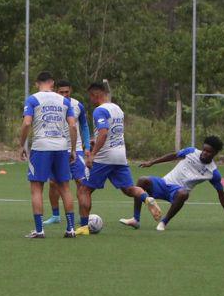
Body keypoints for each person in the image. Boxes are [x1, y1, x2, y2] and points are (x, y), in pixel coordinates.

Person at [77, 82, 161, 233]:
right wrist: (95, 140)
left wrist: (93, 154)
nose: (90, 99)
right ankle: (147, 199)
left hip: (104, 157)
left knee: (84, 189)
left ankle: (84, 227)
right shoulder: (118, 109)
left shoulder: (99, 111)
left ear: (96, 94)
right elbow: (113, 132)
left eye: (90, 96)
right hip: (120, 155)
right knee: (128, 189)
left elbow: (104, 133)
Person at [120, 136, 224, 232]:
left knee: (184, 193)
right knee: (142, 180)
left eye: (209, 152)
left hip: (177, 192)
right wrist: (151, 162)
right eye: (204, 149)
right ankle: (136, 219)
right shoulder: (191, 151)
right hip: (164, 183)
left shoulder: (213, 172)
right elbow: (173, 156)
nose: (204, 153)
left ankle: (163, 223)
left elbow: (221, 194)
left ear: (215, 153)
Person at [19, 72, 77, 238]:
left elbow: (27, 122)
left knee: (37, 188)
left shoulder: (32, 99)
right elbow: (73, 127)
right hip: (61, 147)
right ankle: (71, 229)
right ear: (52, 83)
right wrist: (72, 149)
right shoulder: (65, 101)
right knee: (65, 187)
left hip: (41, 146)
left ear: (37, 83)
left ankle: (39, 230)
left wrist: (21, 144)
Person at [44, 80, 90, 227]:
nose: (64, 94)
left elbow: (84, 125)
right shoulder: (52, 104)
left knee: (81, 183)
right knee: (53, 183)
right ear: (56, 91)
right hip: (57, 149)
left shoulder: (77, 106)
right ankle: (56, 215)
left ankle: (84, 217)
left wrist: (87, 146)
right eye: (61, 92)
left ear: (71, 90)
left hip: (76, 150)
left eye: (67, 92)